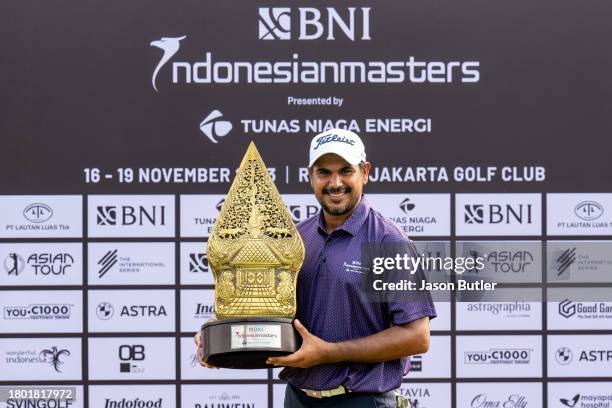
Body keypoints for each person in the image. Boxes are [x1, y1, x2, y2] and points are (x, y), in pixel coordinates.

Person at [195, 128, 436, 407]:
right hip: (299, 399)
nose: (335, 183)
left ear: (365, 172)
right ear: (310, 175)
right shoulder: (295, 239)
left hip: (360, 400)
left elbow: (416, 337)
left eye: (346, 171)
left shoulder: (388, 240)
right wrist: (220, 336)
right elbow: (272, 311)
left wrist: (328, 353)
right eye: (324, 172)